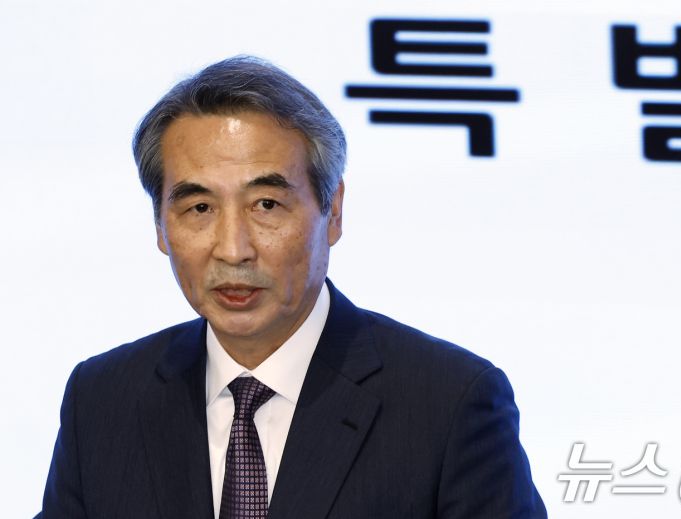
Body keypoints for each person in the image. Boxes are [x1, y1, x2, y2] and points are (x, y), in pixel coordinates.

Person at [39, 55, 546, 519]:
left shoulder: (449, 402)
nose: (233, 249)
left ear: (333, 211)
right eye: (199, 208)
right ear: (160, 227)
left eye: (266, 205)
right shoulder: (102, 399)